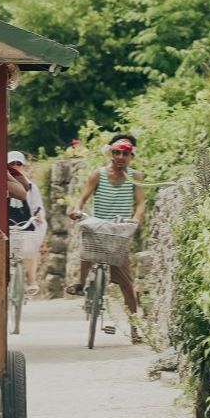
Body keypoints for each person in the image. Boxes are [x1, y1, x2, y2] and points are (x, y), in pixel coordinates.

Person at [71, 132, 147, 339]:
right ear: (110, 154)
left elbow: (140, 202)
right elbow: (82, 198)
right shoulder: (98, 174)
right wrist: (76, 209)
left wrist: (136, 219)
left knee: (126, 283)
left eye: (125, 154)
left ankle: (134, 328)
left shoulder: (135, 177)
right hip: (99, 225)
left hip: (120, 229)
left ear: (131, 157)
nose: (120, 157)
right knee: (87, 249)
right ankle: (81, 283)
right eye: (116, 153)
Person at [4, 149, 45, 279]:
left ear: (23, 166)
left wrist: (38, 216)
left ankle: (32, 280)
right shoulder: (1, 183)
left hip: (26, 224)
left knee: (29, 251)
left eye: (18, 163)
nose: (15, 166)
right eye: (12, 163)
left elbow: (38, 206)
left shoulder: (31, 187)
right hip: (6, 224)